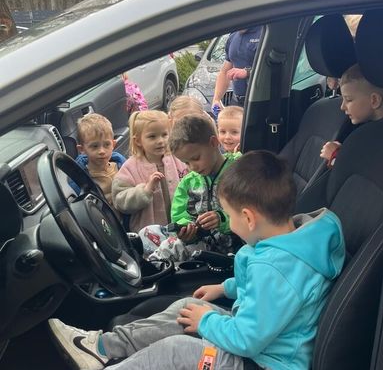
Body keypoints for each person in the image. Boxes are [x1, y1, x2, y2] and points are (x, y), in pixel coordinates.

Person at [48, 150, 346, 370]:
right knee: (187, 308)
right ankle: (102, 347)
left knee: (176, 350)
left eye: (229, 216)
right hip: (260, 342)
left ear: (248, 218)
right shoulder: (288, 242)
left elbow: (247, 339)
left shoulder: (276, 268)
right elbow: (266, 293)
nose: (229, 223)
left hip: (264, 362)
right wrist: (226, 288)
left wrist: (207, 321)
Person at [146, 113, 241, 262]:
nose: (193, 167)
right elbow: (179, 214)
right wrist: (186, 229)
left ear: (213, 142)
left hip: (232, 246)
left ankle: (151, 269)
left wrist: (222, 218)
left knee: (172, 246)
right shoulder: (188, 182)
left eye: (196, 158)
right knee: (148, 231)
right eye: (186, 163)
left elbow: (252, 211)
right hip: (200, 242)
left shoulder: (238, 172)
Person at [112, 110, 187, 232]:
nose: (160, 141)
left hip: (181, 228)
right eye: (152, 136)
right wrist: (145, 191)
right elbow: (119, 200)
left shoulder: (179, 159)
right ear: (138, 141)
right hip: (150, 235)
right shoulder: (130, 167)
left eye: (164, 135)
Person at [320, 63, 383, 167]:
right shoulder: (366, 130)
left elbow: (363, 171)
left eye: (348, 100)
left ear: (374, 100)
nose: (342, 107)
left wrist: (335, 157)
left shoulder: (382, 140)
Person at [69, 113, 126, 206]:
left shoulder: (120, 165)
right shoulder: (82, 179)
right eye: (94, 146)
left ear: (113, 145)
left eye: (107, 144)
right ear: (82, 149)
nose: (102, 151)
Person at [212, 27, 262, 111]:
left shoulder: (265, 33)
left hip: (260, 102)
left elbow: (276, 69)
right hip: (236, 101)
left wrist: (248, 72)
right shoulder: (233, 36)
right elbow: (224, 72)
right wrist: (216, 99)